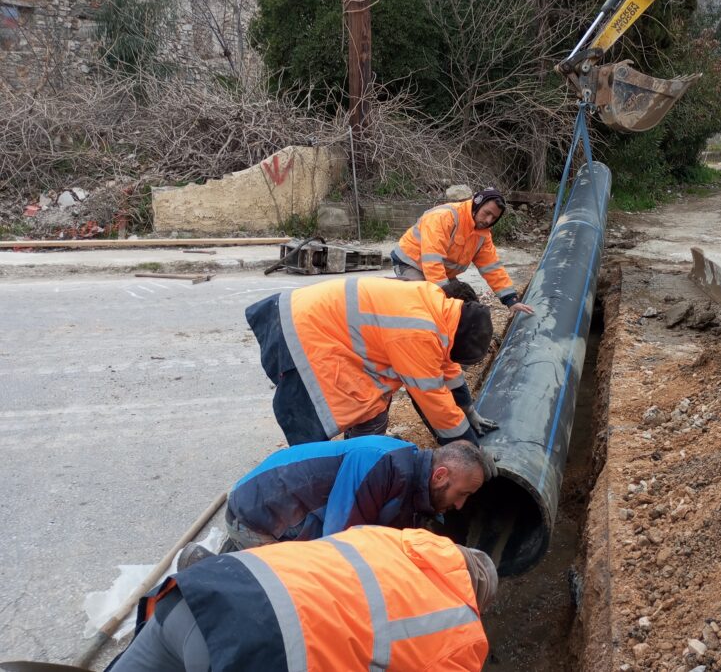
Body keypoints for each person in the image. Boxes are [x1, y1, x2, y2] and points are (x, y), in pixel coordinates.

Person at [107, 527, 496, 672]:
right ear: (475, 598)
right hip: (251, 650)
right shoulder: (462, 634)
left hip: (199, 594)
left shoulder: (392, 539)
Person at [245, 277, 498, 447]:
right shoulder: (417, 333)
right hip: (303, 333)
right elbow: (433, 400)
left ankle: (361, 450)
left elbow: (446, 367)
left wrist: (468, 408)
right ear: (458, 340)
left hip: (315, 319)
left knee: (372, 402)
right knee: (313, 418)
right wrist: (469, 449)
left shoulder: (438, 308)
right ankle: (313, 487)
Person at [217, 437, 496, 553]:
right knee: (303, 595)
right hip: (258, 518)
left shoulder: (410, 474)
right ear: (440, 476)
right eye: (463, 494)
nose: (460, 505)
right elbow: (339, 546)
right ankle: (213, 571)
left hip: (289, 514)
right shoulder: (382, 465)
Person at [392, 188, 535, 317]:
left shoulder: (482, 234)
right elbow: (432, 262)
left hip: (442, 272)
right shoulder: (444, 217)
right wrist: (445, 295)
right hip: (411, 263)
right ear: (476, 205)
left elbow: (492, 268)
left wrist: (510, 299)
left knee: (463, 307)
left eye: (494, 218)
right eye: (487, 213)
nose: (488, 220)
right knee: (424, 306)